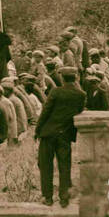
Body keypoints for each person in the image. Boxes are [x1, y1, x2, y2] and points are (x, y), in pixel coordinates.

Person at [35, 66, 87, 207]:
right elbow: (78, 113)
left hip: (48, 133)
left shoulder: (56, 92)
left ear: (62, 78)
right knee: (65, 166)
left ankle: (47, 197)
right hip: (65, 135)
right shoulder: (81, 95)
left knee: (45, 165)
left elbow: (45, 112)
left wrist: (37, 130)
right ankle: (64, 198)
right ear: (75, 78)